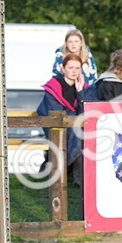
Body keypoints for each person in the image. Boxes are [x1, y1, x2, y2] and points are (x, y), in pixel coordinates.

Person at [37, 53, 89, 183]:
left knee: (84, 134)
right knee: (78, 134)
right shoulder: (53, 86)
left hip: (74, 126)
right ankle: (77, 178)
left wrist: (79, 92)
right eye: (70, 68)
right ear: (63, 68)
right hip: (54, 125)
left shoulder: (84, 88)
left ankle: (77, 175)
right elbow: (56, 113)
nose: (74, 71)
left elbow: (86, 112)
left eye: (77, 68)